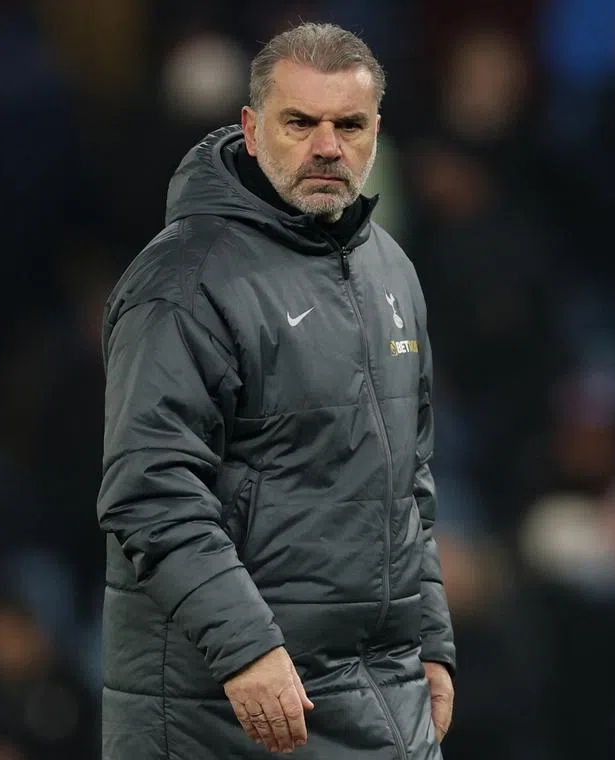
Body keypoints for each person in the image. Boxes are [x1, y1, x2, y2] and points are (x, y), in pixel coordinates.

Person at [97, 22, 456, 759]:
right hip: (222, 708)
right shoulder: (184, 281)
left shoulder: (389, 268)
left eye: (348, 124)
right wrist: (246, 651)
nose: (328, 146)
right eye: (301, 122)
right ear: (253, 129)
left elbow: (406, 482)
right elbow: (151, 489)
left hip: (379, 694)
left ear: (376, 132)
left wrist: (431, 638)